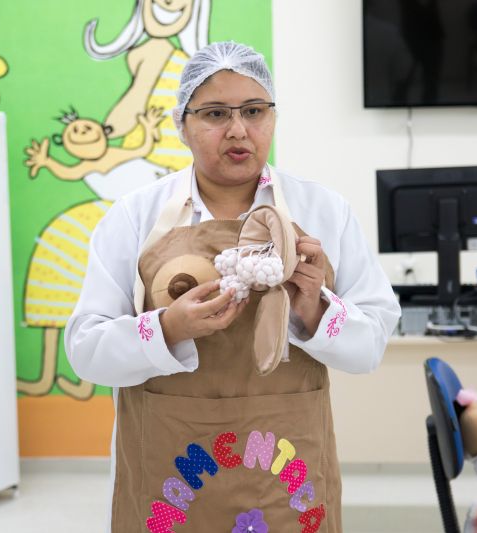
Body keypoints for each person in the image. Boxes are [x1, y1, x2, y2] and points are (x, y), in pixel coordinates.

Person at [64, 41, 401, 533]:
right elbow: (85, 349)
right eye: (215, 113)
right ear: (182, 124)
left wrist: (314, 310)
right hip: (167, 461)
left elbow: (371, 344)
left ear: (273, 118)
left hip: (288, 464)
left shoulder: (322, 212)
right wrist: (168, 328)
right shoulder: (135, 217)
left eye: (254, 111)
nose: (238, 129)